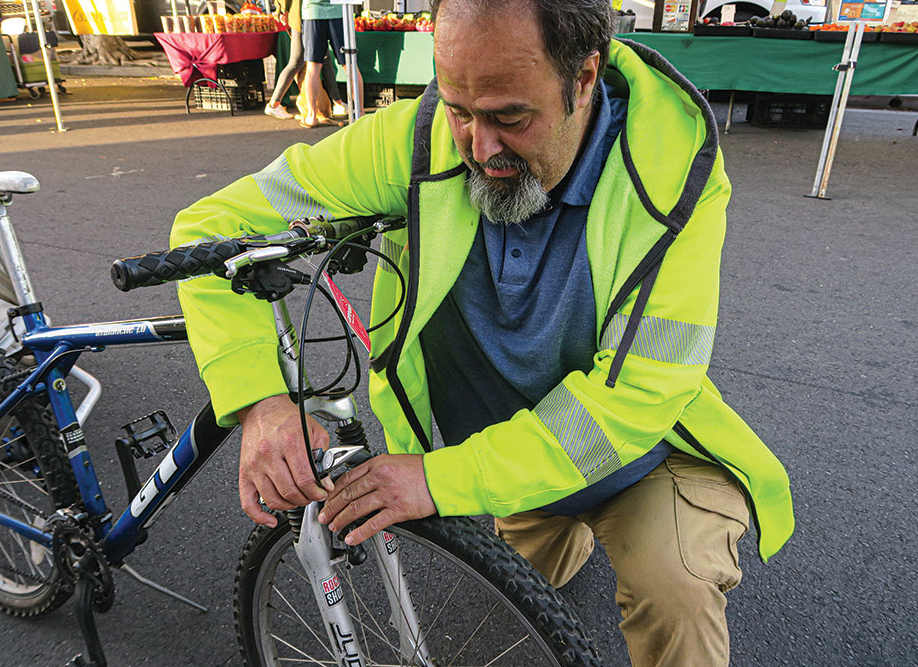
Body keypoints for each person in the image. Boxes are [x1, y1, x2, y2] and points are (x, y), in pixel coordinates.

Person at [171, 1, 795, 664]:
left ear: (585, 77)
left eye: (509, 116)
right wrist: (263, 399)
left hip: (646, 456)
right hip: (512, 447)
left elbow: (640, 394)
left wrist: (438, 478)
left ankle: (601, 526)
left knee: (674, 585)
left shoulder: (675, 173)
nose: (478, 147)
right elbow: (213, 229)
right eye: (458, 108)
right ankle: (561, 522)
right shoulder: (418, 136)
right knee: (514, 595)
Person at [265, 0, 348, 122]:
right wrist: (282, 10)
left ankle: (338, 103)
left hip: (306, 16)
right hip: (302, 17)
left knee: (322, 60)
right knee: (297, 62)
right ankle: (274, 104)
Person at [299, 0, 363, 126]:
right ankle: (360, 112)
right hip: (340, 11)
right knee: (350, 65)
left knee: (313, 67)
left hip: (313, 12)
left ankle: (311, 116)